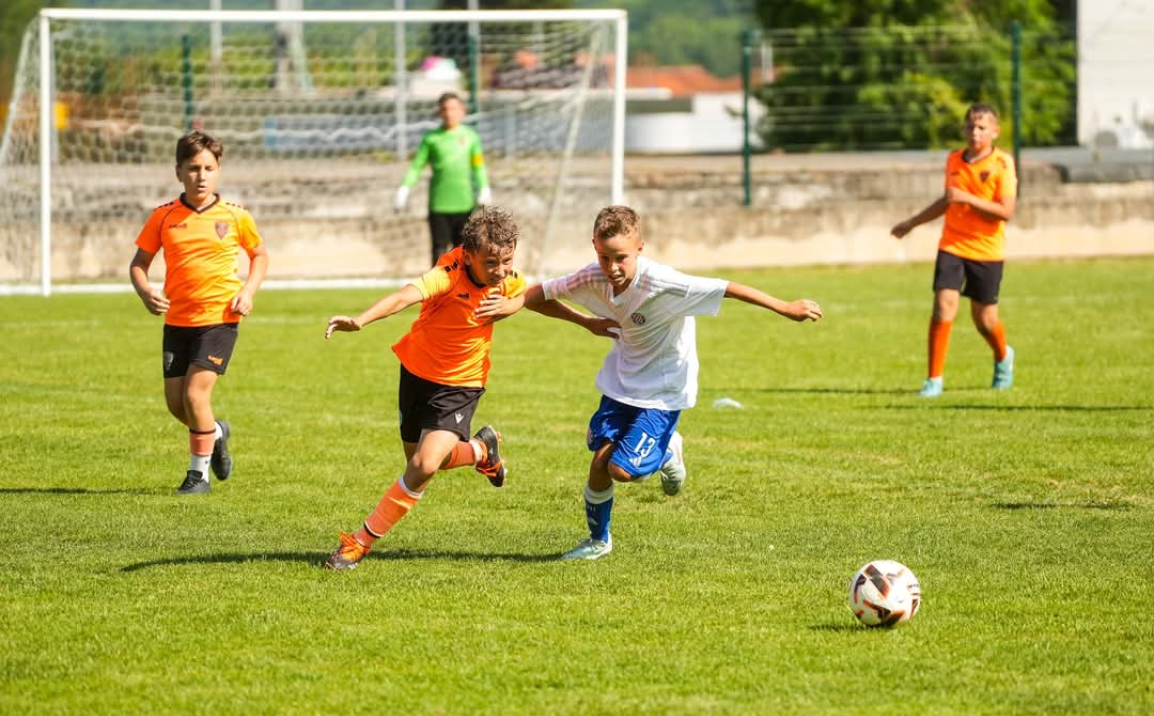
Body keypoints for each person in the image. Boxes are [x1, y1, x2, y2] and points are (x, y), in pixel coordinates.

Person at [477, 205, 823, 560]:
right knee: (597, 459)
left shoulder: (664, 283)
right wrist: (514, 304)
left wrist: (785, 307)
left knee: (621, 469)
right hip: (622, 383)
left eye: (620, 258)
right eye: (603, 256)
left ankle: (669, 447)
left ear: (640, 248)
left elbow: (728, 288)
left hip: (663, 391)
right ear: (593, 246)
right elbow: (546, 290)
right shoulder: (592, 276)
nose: (612, 268)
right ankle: (598, 541)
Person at [323, 206, 616, 571]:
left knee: (423, 465)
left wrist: (585, 322)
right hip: (416, 373)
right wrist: (361, 320)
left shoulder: (505, 279)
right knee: (428, 460)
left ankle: (359, 543)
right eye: (490, 263)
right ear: (468, 256)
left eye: (507, 261)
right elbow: (406, 295)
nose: (500, 271)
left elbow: (536, 299)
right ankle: (481, 450)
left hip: (461, 383)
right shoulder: (448, 273)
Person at [129, 130, 270, 495]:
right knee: (178, 406)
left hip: (220, 319)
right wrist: (146, 291)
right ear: (178, 172)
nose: (201, 175)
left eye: (209, 167)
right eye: (193, 168)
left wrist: (248, 290)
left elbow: (259, 255)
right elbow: (139, 263)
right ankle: (217, 432)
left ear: (219, 170)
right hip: (177, 321)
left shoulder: (235, 216)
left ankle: (198, 477)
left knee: (195, 396)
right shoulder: (163, 217)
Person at [891, 102, 1018, 398]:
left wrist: (966, 198)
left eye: (982, 127)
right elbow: (947, 200)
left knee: (985, 321)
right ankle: (934, 379)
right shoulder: (954, 160)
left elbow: (1005, 211)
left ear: (995, 132)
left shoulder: (1003, 164)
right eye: (971, 126)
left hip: (987, 250)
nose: (975, 132)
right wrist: (911, 223)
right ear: (963, 129)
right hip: (952, 244)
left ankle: (1003, 356)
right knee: (943, 305)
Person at [394, 92, 492, 266]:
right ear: (439, 112)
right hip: (439, 204)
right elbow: (417, 166)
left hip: (464, 203)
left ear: (462, 111)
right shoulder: (431, 139)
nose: (449, 113)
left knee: (464, 252)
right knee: (439, 251)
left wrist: (484, 187)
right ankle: (436, 292)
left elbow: (478, 165)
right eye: (445, 109)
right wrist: (404, 188)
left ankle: (463, 292)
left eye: (453, 109)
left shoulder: (471, 137)